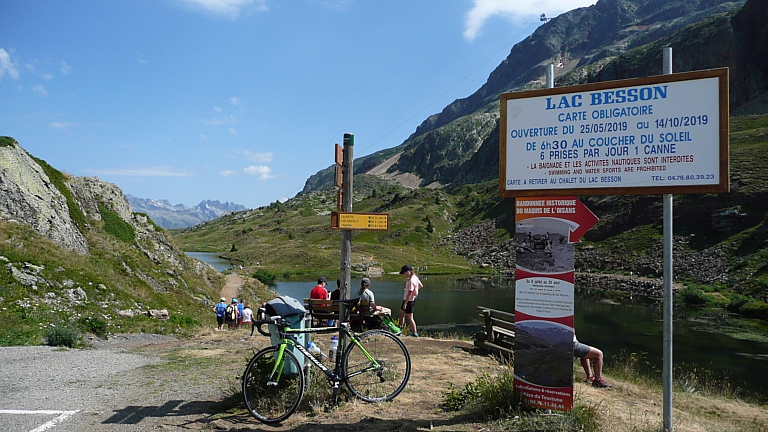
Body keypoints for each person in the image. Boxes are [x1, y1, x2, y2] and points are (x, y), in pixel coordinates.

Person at [398, 264, 422, 337]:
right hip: (410, 300)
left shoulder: (411, 280)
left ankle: (415, 332)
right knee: (401, 314)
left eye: (404, 273)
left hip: (408, 301)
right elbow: (420, 286)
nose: (404, 274)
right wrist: (415, 291)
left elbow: (410, 292)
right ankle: (399, 329)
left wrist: (405, 303)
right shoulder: (415, 277)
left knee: (410, 317)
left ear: (408, 271)